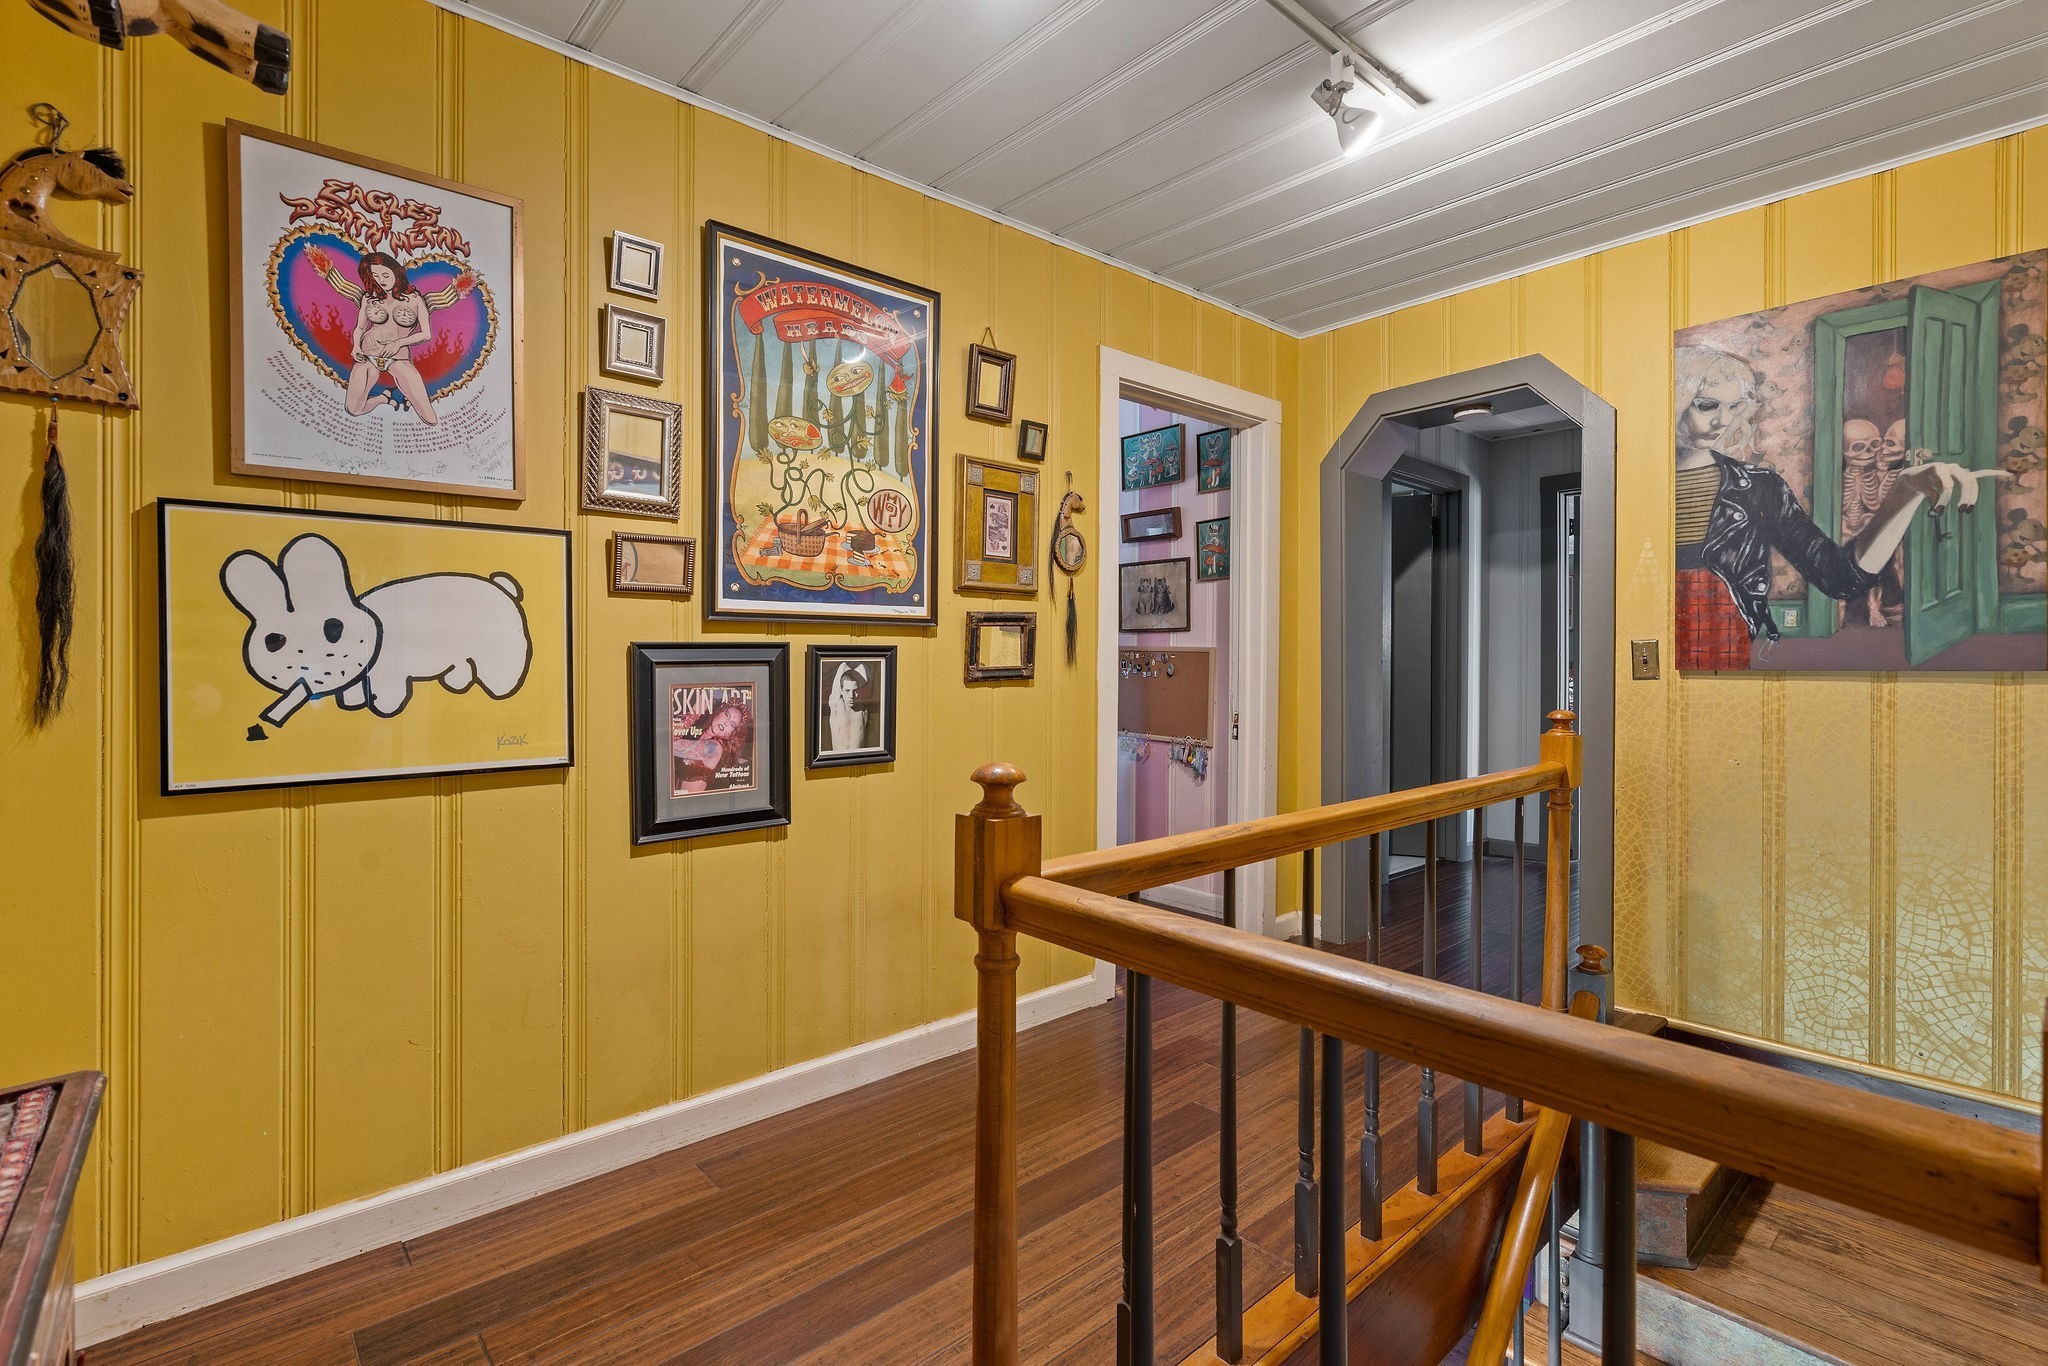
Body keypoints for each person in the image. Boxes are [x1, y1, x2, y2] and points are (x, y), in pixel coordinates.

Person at [1672, 345, 2007, 669]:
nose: (1723, 421)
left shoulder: (1760, 487)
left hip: (1718, 635)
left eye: (1734, 407)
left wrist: (1902, 495)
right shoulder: (1642, 481)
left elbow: (1838, 577)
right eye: (1707, 405)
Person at [345, 252, 438, 423]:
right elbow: (360, 327)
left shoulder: (415, 299)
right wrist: (356, 346)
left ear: (396, 272)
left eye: (385, 275)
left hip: (398, 357)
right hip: (367, 354)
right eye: (376, 275)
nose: (381, 280)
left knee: (430, 418)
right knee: (353, 409)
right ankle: (382, 399)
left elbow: (426, 334)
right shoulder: (369, 298)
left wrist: (399, 343)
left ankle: (405, 398)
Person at [673, 698, 751, 794]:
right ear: (718, 713)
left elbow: (669, 745)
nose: (726, 723)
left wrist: (693, 714)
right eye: (727, 715)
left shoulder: (715, 747)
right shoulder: (697, 736)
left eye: (732, 724)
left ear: (730, 734)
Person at [824, 661, 873, 754]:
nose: (851, 695)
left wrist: (855, 678)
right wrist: (852, 674)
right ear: (841, 691)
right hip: (839, 759)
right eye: (847, 690)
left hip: (858, 759)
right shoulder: (836, 705)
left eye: (855, 691)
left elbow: (863, 667)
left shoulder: (863, 710)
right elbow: (843, 666)